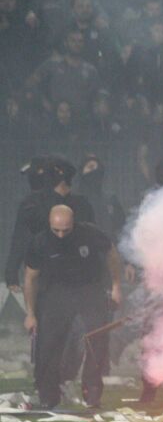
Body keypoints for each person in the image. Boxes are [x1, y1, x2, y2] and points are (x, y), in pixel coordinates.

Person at [23, 204, 121, 409]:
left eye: (65, 230)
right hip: (56, 293)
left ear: (73, 223)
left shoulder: (90, 233)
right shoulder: (40, 242)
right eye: (56, 230)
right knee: (49, 344)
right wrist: (30, 313)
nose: (60, 235)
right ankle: (49, 395)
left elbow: (111, 254)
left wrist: (116, 286)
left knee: (96, 339)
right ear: (49, 224)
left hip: (90, 289)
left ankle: (92, 392)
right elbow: (30, 279)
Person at [6, 157, 97, 300]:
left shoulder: (81, 204)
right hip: (47, 278)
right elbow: (21, 239)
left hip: (76, 278)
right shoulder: (32, 204)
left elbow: (94, 240)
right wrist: (11, 274)